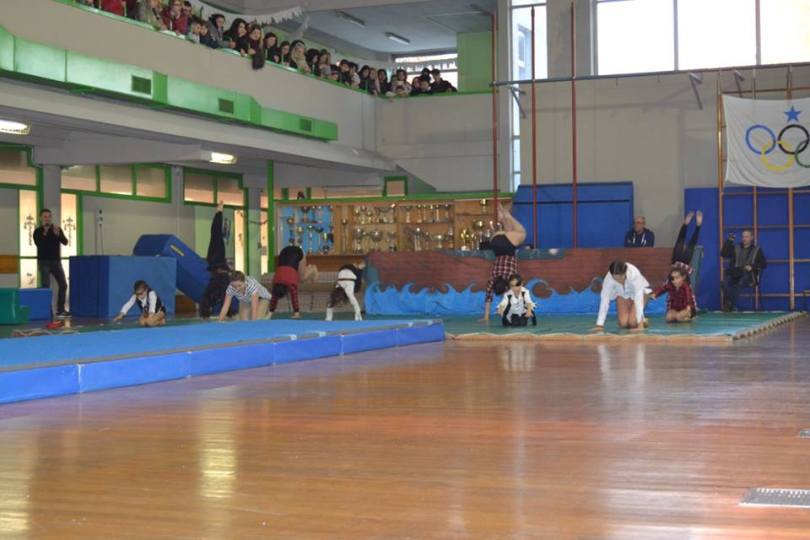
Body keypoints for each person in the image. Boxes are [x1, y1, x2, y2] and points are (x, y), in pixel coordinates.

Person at [482, 204, 526, 321]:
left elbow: (490, 298)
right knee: (510, 231)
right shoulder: (492, 279)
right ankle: (503, 216)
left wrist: (487, 317)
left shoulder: (511, 279)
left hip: (503, 241)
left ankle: (507, 216)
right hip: (494, 240)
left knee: (522, 232)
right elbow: (489, 297)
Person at [199, 202, 236, 319]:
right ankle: (219, 212)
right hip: (217, 263)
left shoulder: (214, 289)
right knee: (216, 235)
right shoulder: (221, 288)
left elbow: (220, 298)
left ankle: (218, 212)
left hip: (214, 264)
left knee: (215, 235)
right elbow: (226, 298)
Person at [33, 209, 70, 318]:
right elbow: (39, 244)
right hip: (44, 262)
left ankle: (60, 310)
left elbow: (65, 242)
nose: (47, 218)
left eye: (49, 216)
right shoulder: (37, 231)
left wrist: (58, 234)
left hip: (56, 262)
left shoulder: (56, 229)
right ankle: (47, 311)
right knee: (46, 287)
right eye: (45, 216)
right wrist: (45, 232)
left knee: (63, 284)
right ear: (40, 218)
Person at [594, 261, 651, 331]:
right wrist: (599, 325)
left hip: (641, 293)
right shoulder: (608, 279)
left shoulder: (634, 274)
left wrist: (640, 325)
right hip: (622, 294)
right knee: (623, 324)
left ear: (625, 272)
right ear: (611, 275)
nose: (619, 281)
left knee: (633, 323)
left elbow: (638, 299)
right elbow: (604, 300)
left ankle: (642, 320)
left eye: (621, 277)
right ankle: (635, 317)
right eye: (615, 279)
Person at [721, 229, 767, 312]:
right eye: (743, 237)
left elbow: (764, 264)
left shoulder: (757, 250)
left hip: (749, 275)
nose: (744, 238)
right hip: (735, 273)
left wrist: (752, 266)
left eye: (746, 237)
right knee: (724, 282)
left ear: (751, 238)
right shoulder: (736, 247)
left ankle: (729, 305)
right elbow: (723, 253)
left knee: (740, 282)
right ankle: (730, 304)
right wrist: (729, 241)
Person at [268, 244, 317, 319]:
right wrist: (270, 312)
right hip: (284, 251)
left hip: (298, 252)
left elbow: (294, 296)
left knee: (302, 279)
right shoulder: (275, 281)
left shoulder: (290, 282)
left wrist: (297, 313)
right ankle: (309, 268)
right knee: (300, 277)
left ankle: (312, 268)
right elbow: (274, 297)